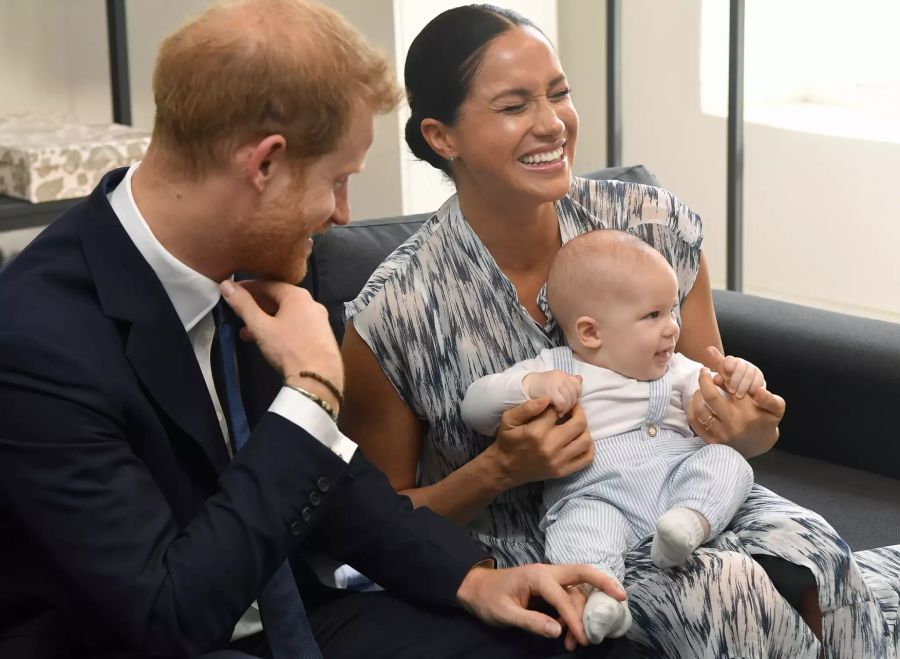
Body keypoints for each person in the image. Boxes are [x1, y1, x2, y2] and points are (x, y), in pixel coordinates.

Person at [0, 2, 635, 658]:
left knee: (579, 642)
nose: (342, 214)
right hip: (148, 634)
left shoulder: (260, 254)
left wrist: (473, 578)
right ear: (265, 164)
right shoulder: (37, 343)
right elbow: (167, 612)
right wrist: (308, 396)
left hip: (297, 615)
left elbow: (336, 478)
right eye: (337, 181)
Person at [341, 4, 894, 657]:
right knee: (725, 587)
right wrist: (499, 469)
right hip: (562, 543)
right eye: (515, 105)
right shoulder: (394, 312)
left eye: (559, 93)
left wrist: (746, 424)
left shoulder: (651, 225)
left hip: (697, 494)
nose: (553, 122)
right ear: (442, 136)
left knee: (819, 550)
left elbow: (724, 413)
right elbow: (374, 526)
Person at [462, 230, 763, 643]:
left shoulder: (676, 369)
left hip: (676, 480)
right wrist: (531, 386)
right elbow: (474, 408)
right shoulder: (558, 368)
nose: (673, 329)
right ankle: (602, 597)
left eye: (672, 312)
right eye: (652, 316)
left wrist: (743, 378)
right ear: (590, 333)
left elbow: (722, 400)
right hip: (596, 494)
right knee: (579, 528)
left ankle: (689, 524)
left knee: (729, 463)